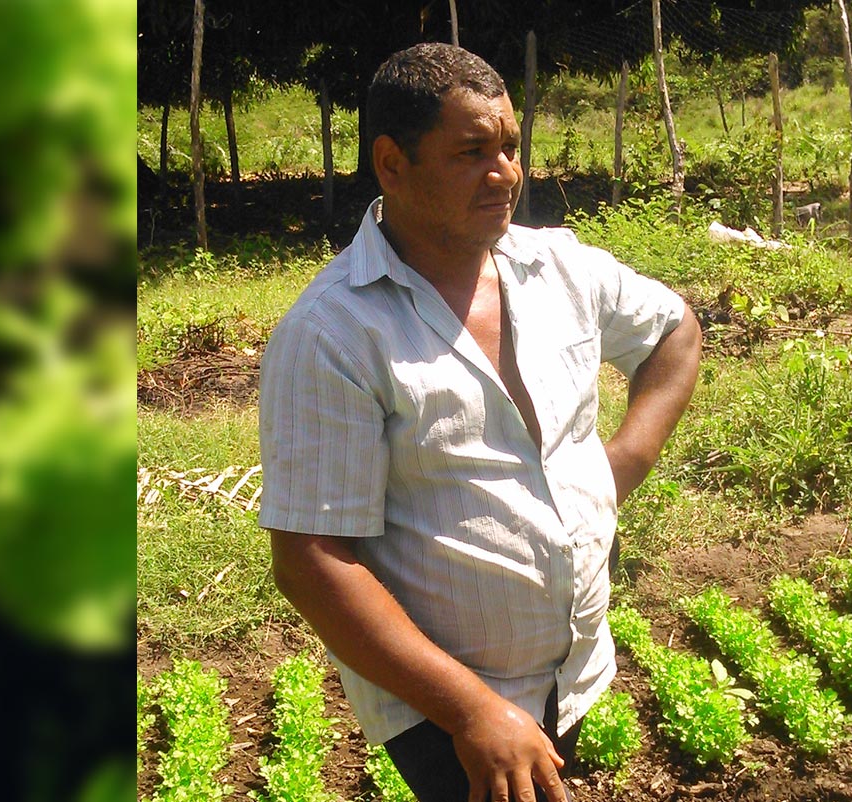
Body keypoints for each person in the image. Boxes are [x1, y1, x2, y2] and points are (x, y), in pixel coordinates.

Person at [258, 42, 701, 802]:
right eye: (472, 152)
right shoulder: (334, 331)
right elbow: (311, 560)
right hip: (446, 707)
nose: (505, 172)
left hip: (574, 670)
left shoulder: (559, 268)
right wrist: (473, 711)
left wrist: (620, 465)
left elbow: (675, 332)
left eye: (510, 146)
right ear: (392, 164)